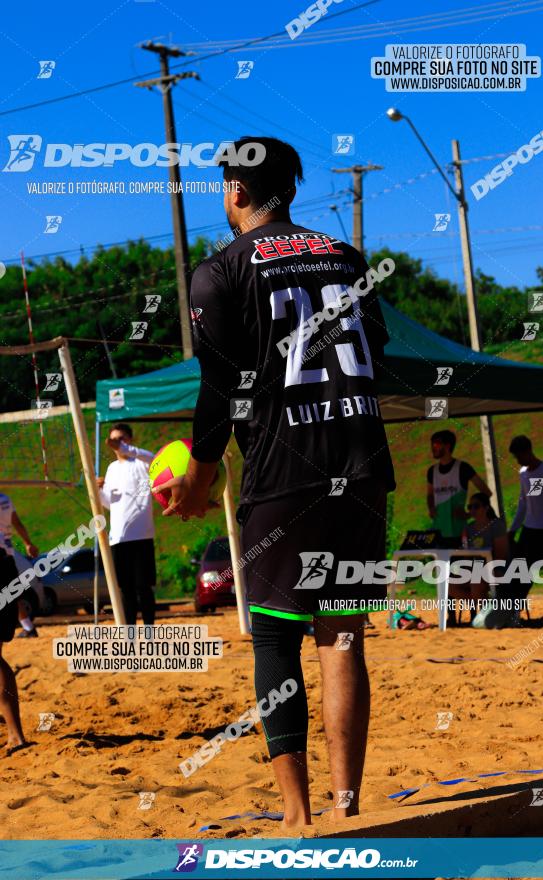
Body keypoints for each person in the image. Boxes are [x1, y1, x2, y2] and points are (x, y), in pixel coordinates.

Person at [156, 136, 395, 828]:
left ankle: (296, 815)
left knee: (274, 641)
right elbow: (374, 353)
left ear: (234, 190)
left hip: (283, 473)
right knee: (341, 637)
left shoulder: (220, 271)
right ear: (288, 188)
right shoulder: (345, 257)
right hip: (360, 462)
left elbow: (218, 391)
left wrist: (200, 480)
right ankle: (346, 804)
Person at [97, 423, 156, 626]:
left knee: (143, 587)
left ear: (130, 440)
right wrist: (99, 491)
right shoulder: (112, 468)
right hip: (119, 538)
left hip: (142, 536)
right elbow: (109, 504)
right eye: (114, 439)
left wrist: (125, 449)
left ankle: (149, 633)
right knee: (126, 589)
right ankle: (129, 635)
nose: (117, 443)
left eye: (121, 438)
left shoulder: (142, 463)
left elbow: (155, 458)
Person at [508, 435, 543, 619]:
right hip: (529, 531)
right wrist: (513, 529)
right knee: (523, 573)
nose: (518, 460)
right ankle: (516, 613)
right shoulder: (523, 473)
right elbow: (523, 503)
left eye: (519, 456)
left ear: (528, 451)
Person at [449, 492, 509, 621]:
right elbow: (466, 555)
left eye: (476, 506)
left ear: (486, 507)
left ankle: (487, 616)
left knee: (476, 583)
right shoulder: (468, 528)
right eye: (470, 507)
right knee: (450, 585)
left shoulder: (496, 525)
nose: (472, 510)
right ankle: (492, 608)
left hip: (496, 568)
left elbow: (501, 555)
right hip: (474, 569)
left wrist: (487, 571)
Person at [427, 430, 491, 548]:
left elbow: (486, 492)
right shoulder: (432, 471)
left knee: (461, 566)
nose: (432, 448)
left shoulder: (463, 468)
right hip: (438, 533)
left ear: (447, 446)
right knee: (441, 566)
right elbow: (430, 494)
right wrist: (430, 507)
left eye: (436, 444)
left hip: (459, 533)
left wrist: (469, 514)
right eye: (432, 444)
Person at [0, 492, 40, 638]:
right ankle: (28, 627)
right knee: (11, 597)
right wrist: (28, 543)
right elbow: (17, 523)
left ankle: (28, 627)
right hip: (8, 556)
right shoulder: (5, 499)